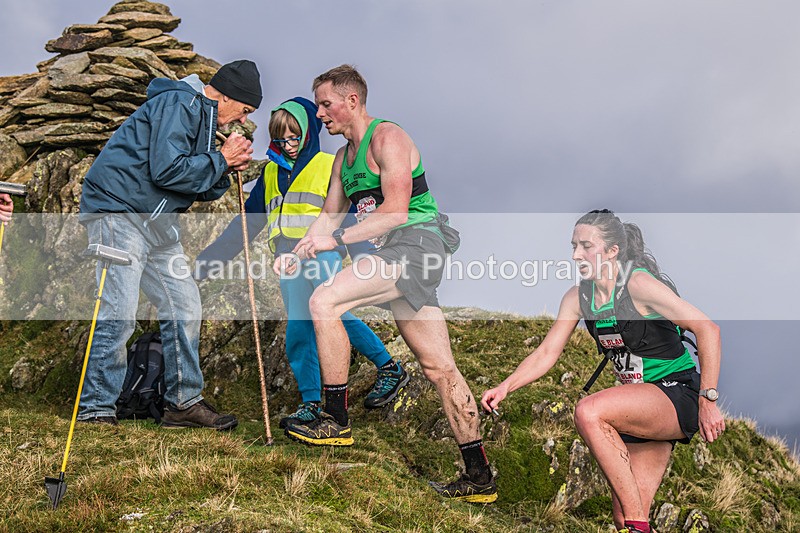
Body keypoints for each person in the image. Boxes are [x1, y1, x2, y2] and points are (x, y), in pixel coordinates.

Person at [285, 65, 497, 503]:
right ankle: (479, 477)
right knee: (440, 368)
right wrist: (300, 248)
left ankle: (335, 422)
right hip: (395, 257)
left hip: (418, 246)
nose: (320, 114)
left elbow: (397, 211)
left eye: (325, 104)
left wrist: (337, 239)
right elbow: (328, 214)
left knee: (325, 302)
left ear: (352, 101)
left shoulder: (389, 139)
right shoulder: (344, 159)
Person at [481, 210, 725, 533]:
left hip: (676, 392)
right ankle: (637, 525)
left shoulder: (637, 285)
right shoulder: (578, 298)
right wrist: (506, 386)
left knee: (589, 411)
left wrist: (708, 401)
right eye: (573, 246)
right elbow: (547, 353)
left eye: (585, 246)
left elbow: (708, 329)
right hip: (640, 405)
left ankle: (639, 527)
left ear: (612, 251)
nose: (575, 255)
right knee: (623, 517)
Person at [196, 96, 409, 429]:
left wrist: (369, 264)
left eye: (295, 137)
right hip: (288, 262)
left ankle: (389, 367)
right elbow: (248, 225)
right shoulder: (269, 173)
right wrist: (209, 262)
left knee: (333, 313)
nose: (288, 145)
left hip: (322, 254)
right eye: (280, 138)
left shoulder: (328, 165)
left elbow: (350, 217)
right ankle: (311, 403)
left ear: (309, 133)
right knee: (298, 328)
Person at [76, 60, 263, 429]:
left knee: (185, 305)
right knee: (120, 309)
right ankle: (95, 408)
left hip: (157, 225)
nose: (242, 120)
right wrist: (220, 159)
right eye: (244, 111)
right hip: (119, 213)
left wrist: (224, 167)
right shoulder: (181, 104)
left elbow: (195, 184)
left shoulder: (203, 120)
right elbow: (168, 169)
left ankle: (182, 403)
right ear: (225, 96)